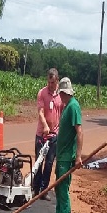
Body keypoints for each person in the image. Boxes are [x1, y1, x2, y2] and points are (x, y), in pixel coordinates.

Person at [51, 77, 83, 213]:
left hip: (67, 157)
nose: (60, 97)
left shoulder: (73, 107)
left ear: (64, 93)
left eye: (61, 94)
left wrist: (78, 156)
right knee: (58, 189)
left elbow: (79, 132)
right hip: (61, 155)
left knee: (63, 190)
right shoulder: (66, 106)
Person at [32, 68, 63, 201]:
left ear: (57, 81)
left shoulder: (61, 96)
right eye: (49, 82)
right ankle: (36, 189)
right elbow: (40, 112)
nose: (50, 85)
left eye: (53, 82)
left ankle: (44, 190)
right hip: (41, 134)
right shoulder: (42, 93)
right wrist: (45, 125)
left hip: (54, 135)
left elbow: (62, 113)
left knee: (49, 163)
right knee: (39, 162)